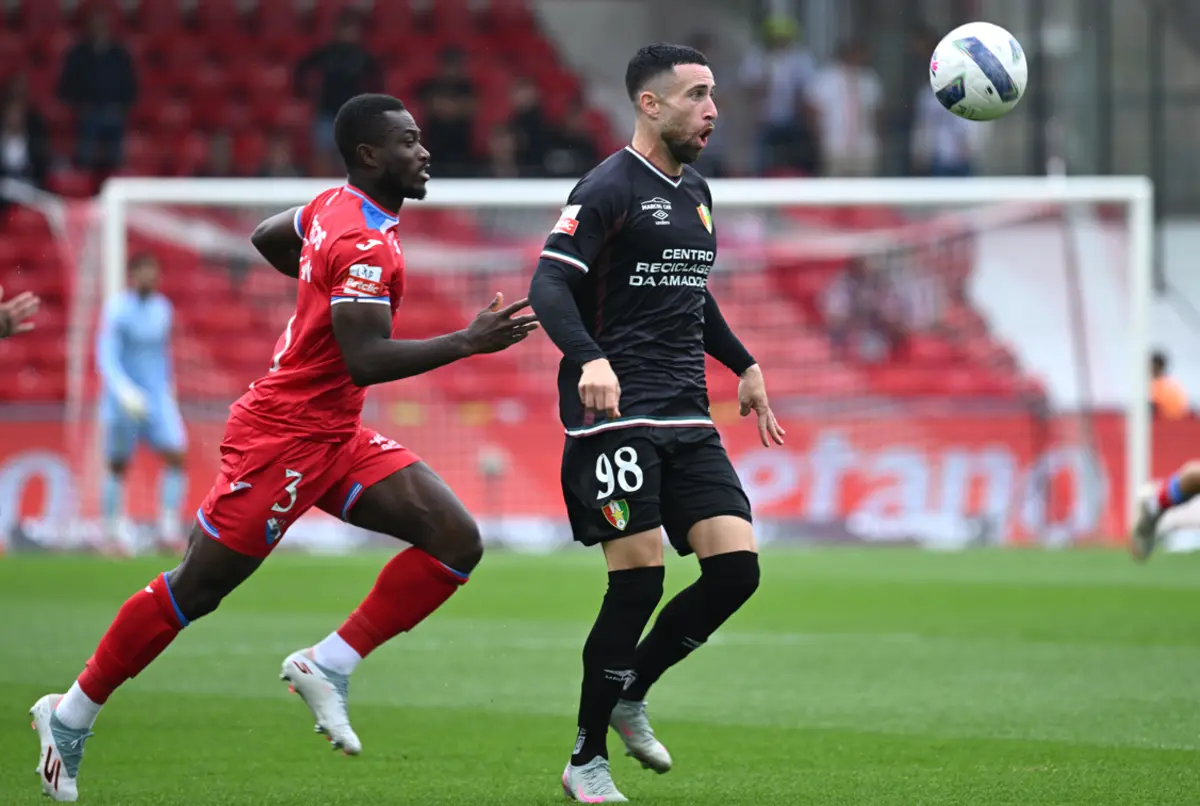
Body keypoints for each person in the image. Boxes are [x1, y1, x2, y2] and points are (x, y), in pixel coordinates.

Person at [30, 94, 538, 802]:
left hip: (336, 433)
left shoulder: (334, 207)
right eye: (408, 142)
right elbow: (365, 358)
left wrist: (316, 283)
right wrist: (467, 341)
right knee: (196, 588)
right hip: (284, 437)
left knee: (455, 541)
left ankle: (327, 665)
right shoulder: (362, 241)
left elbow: (270, 234)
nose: (424, 152)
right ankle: (69, 714)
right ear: (370, 155)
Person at [528, 44, 785, 803]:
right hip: (613, 417)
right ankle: (585, 759)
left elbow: (690, 291)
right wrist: (589, 359)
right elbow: (548, 285)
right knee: (638, 584)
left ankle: (631, 691)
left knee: (736, 571)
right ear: (650, 104)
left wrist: (744, 363)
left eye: (713, 94)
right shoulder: (606, 187)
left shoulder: (696, 191)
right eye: (696, 95)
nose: (712, 110)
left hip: (686, 414)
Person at [95, 253, 188, 552]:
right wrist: (123, 390)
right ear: (132, 275)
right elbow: (106, 355)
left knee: (177, 454)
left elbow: (162, 352)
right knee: (117, 464)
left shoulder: (163, 308)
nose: (150, 277)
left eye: (154, 272)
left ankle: (168, 528)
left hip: (157, 397)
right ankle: (111, 533)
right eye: (144, 272)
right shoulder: (117, 309)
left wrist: (170, 386)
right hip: (123, 400)